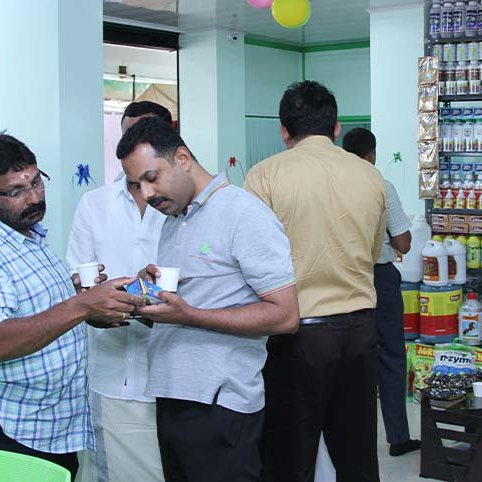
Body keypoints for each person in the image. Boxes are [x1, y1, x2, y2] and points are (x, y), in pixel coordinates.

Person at [0, 134, 144, 480]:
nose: (34, 197)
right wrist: (81, 306)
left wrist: (93, 305)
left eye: (36, 182)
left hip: (49, 424)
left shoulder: (28, 236)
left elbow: (40, 312)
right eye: (16, 191)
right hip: (5, 427)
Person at [118, 117, 299, 482]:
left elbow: (286, 317)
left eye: (152, 177)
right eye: (137, 184)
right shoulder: (173, 218)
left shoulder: (244, 214)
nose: (147, 194)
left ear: (183, 158)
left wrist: (189, 315)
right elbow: (192, 301)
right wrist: (147, 296)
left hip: (221, 404)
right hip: (172, 393)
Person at [244, 81, 387, 482]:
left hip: (296, 335)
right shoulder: (371, 176)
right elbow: (374, 252)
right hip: (360, 331)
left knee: (289, 460)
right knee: (358, 458)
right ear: (336, 127)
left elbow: (250, 261)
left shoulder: (264, 176)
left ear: (284, 131)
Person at [65, 130, 166, 482]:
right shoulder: (96, 204)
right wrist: (88, 295)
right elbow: (79, 276)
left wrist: (146, 294)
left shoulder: (180, 206)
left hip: (173, 373)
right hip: (111, 372)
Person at [342, 127, 419, 457]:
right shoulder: (381, 186)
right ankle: (397, 437)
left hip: (342, 278)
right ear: (372, 154)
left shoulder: (333, 186)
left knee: (347, 355)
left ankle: (347, 437)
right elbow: (403, 242)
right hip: (379, 278)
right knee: (390, 355)